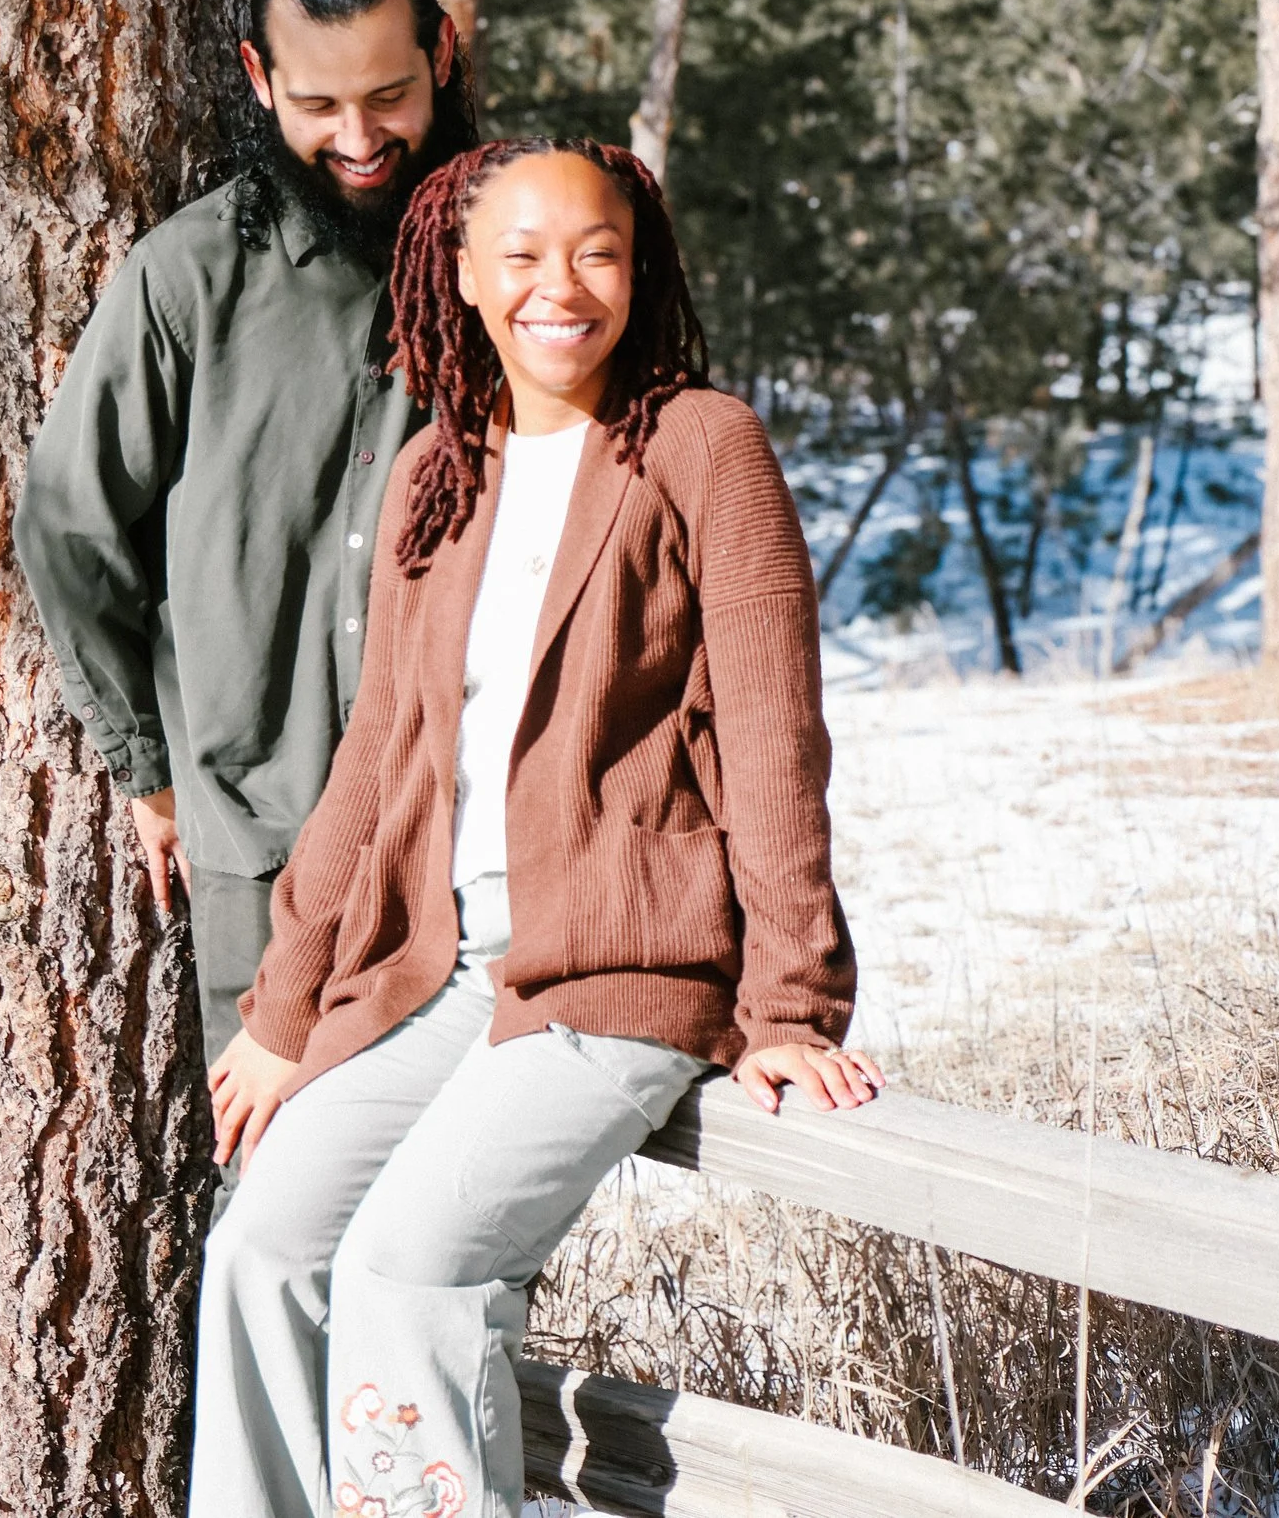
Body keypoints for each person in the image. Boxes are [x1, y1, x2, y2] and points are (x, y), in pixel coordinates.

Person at [189, 138, 886, 1518]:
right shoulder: (435, 479)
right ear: (457, 270)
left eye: (598, 252)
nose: (561, 286)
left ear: (643, 268)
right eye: (521, 254)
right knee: (262, 1246)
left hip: (617, 963)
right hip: (435, 964)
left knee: (409, 1264)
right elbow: (374, 763)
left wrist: (792, 1000)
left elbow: (772, 737)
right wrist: (282, 1004)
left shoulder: (701, 444)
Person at [14, 0, 478, 1071]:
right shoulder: (188, 276)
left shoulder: (516, 260)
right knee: (275, 1207)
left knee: (460, 1224)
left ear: (443, 53)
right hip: (266, 843)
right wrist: (146, 767)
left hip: (475, 838)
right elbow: (69, 527)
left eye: (388, 93)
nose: (361, 137)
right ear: (257, 80)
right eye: (319, 104)